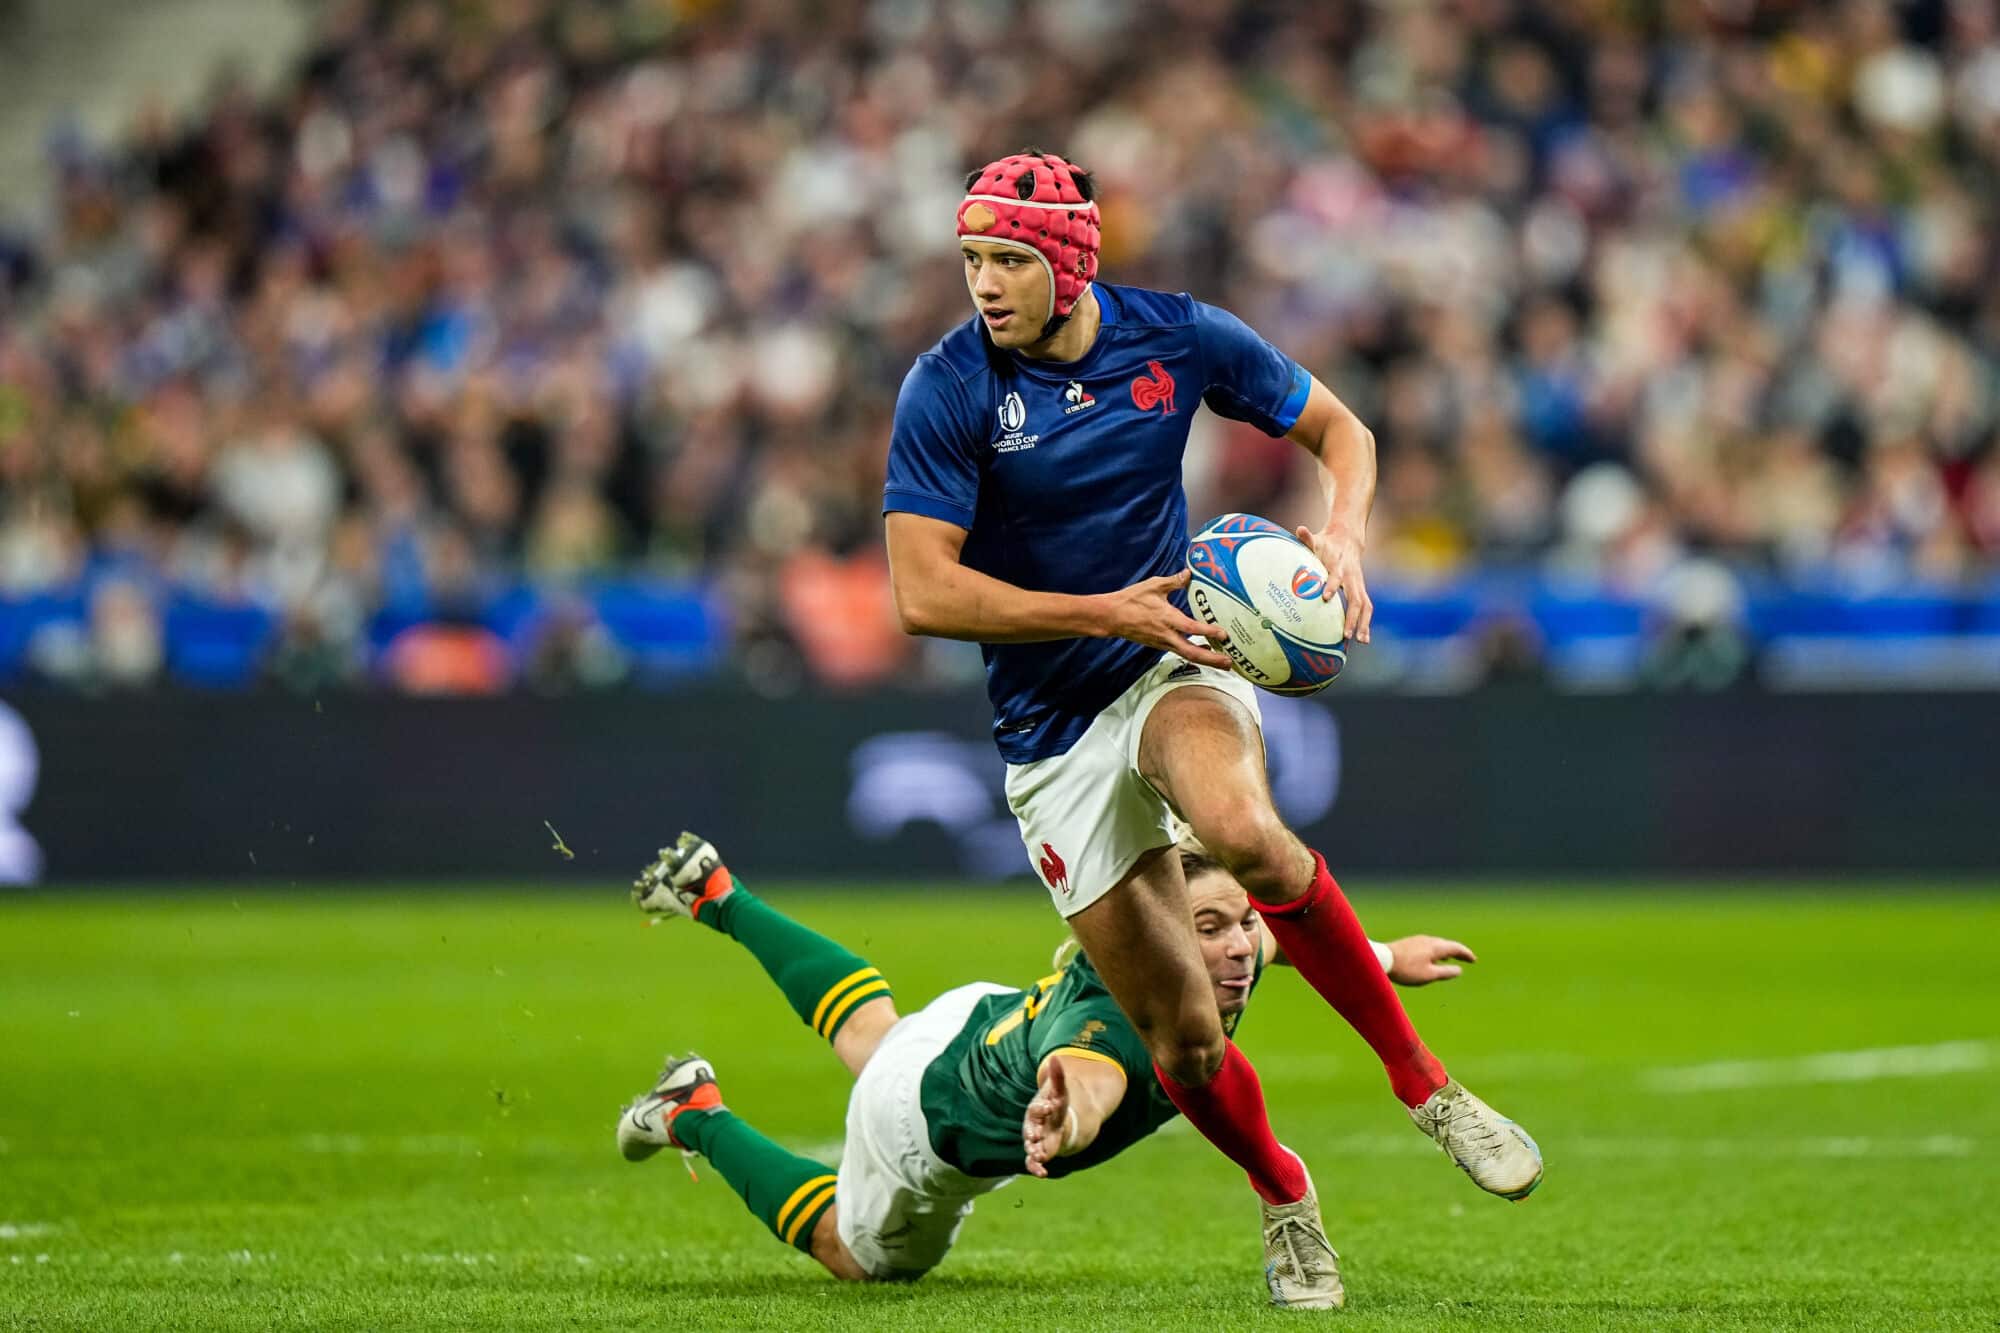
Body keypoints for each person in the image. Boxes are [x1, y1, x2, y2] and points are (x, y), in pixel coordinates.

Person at [879, 149, 1543, 1295]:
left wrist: (1341, 535)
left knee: (1244, 835)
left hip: (1171, 661)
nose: (984, 283)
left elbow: (1345, 433)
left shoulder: (1177, 335)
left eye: (1008, 259)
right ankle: (1284, 1193)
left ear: (1070, 262)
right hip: (1051, 733)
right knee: (1184, 1040)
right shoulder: (946, 387)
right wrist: (1097, 610)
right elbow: (921, 593)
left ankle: (1426, 1088)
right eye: (972, 258)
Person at [618, 832, 1481, 1308]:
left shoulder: (1179, 944)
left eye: (1242, 924)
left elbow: (1250, 938)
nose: (1237, 949)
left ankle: (723, 896)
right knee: (861, 1255)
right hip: (923, 1121)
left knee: (881, 1036)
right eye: (1208, 926)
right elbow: (1093, 1071)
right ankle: (694, 1109)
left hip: (975, 1024)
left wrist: (1379, 955)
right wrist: (1069, 1115)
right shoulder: (1109, 1028)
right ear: (1165, 934)